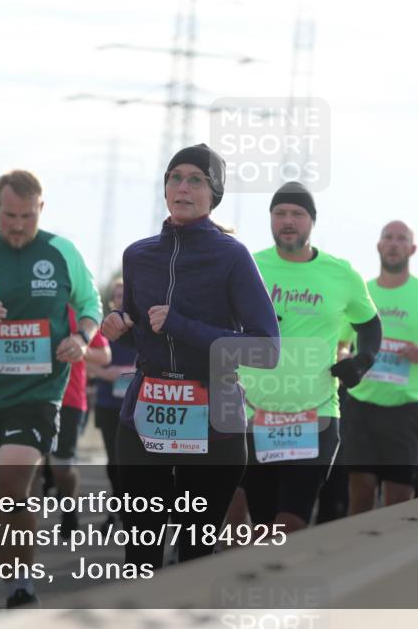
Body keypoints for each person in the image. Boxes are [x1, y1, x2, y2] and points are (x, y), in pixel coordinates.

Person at [102, 143, 280, 569]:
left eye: (196, 179)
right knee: (141, 556)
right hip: (146, 417)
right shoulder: (138, 255)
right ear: (165, 189)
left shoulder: (231, 256)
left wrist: (184, 325)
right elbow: (147, 340)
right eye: (174, 178)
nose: (183, 187)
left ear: (213, 192)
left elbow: (265, 348)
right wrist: (122, 329)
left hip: (214, 422)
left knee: (195, 557)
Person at [0, 169, 102, 610]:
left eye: (27, 216)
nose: (17, 225)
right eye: (10, 215)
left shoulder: (61, 251)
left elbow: (91, 305)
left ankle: (22, 588)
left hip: (38, 393)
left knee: (13, 488)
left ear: (40, 210)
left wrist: (82, 339)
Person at [240, 182, 381, 533]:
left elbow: (371, 326)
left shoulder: (341, 273)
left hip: (315, 416)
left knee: (291, 521)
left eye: (297, 214)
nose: (288, 221)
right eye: (280, 213)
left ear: (312, 221)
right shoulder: (246, 266)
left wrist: (362, 361)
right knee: (263, 524)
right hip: (254, 415)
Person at [343, 221, 418, 514]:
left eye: (401, 239)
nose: (394, 244)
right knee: (361, 497)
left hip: (405, 412)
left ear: (412, 248)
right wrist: (346, 357)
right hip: (361, 409)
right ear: (379, 245)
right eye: (388, 238)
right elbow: (341, 343)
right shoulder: (362, 292)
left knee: (399, 504)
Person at [51, 306, 110, 535]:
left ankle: (69, 506)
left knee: (62, 467)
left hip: (70, 400)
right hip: (29, 397)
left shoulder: (81, 311)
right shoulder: (27, 302)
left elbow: (105, 356)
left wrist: (80, 348)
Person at [86, 277, 136, 528]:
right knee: (114, 460)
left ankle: (133, 508)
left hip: (139, 405)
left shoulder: (142, 325)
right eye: (117, 295)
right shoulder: (102, 328)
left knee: (133, 461)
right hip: (109, 403)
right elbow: (86, 359)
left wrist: (132, 370)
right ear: (111, 300)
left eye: (126, 294)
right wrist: (110, 373)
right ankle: (117, 509)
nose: (121, 298)